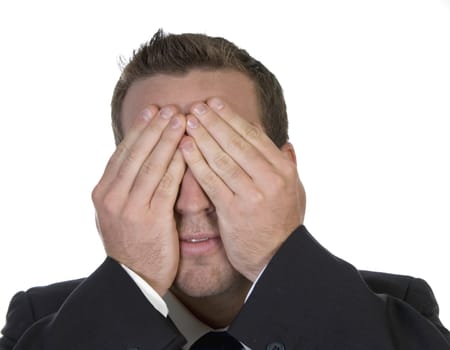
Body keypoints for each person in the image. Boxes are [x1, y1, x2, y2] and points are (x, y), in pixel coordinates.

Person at [0, 29, 449, 350]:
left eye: (225, 158)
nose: (193, 201)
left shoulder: (396, 311)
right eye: (159, 160)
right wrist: (131, 282)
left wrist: (281, 258)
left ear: (284, 171)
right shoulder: (42, 324)